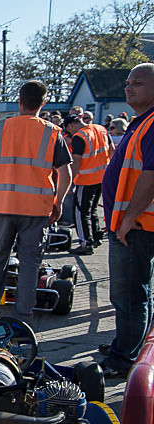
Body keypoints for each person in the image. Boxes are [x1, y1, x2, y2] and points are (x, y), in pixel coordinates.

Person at [0, 80, 73, 325]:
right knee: (29, 264)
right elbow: (66, 173)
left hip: (1, 205)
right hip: (36, 209)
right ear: (43, 103)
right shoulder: (52, 132)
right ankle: (22, 318)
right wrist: (59, 202)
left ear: (19, 101)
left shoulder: (1, 128)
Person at [99, 63, 154, 376]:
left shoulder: (151, 124)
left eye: (139, 83)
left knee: (129, 294)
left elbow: (150, 175)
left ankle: (123, 360)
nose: (129, 88)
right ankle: (131, 345)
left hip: (136, 225)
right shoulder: (141, 122)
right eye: (128, 82)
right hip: (132, 223)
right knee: (135, 292)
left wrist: (130, 217)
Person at [64, 114, 114, 255]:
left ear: (71, 126)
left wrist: (70, 181)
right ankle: (96, 236)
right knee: (92, 210)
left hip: (86, 179)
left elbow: (77, 161)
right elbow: (112, 150)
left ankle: (86, 243)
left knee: (81, 212)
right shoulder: (101, 129)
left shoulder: (79, 137)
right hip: (103, 176)